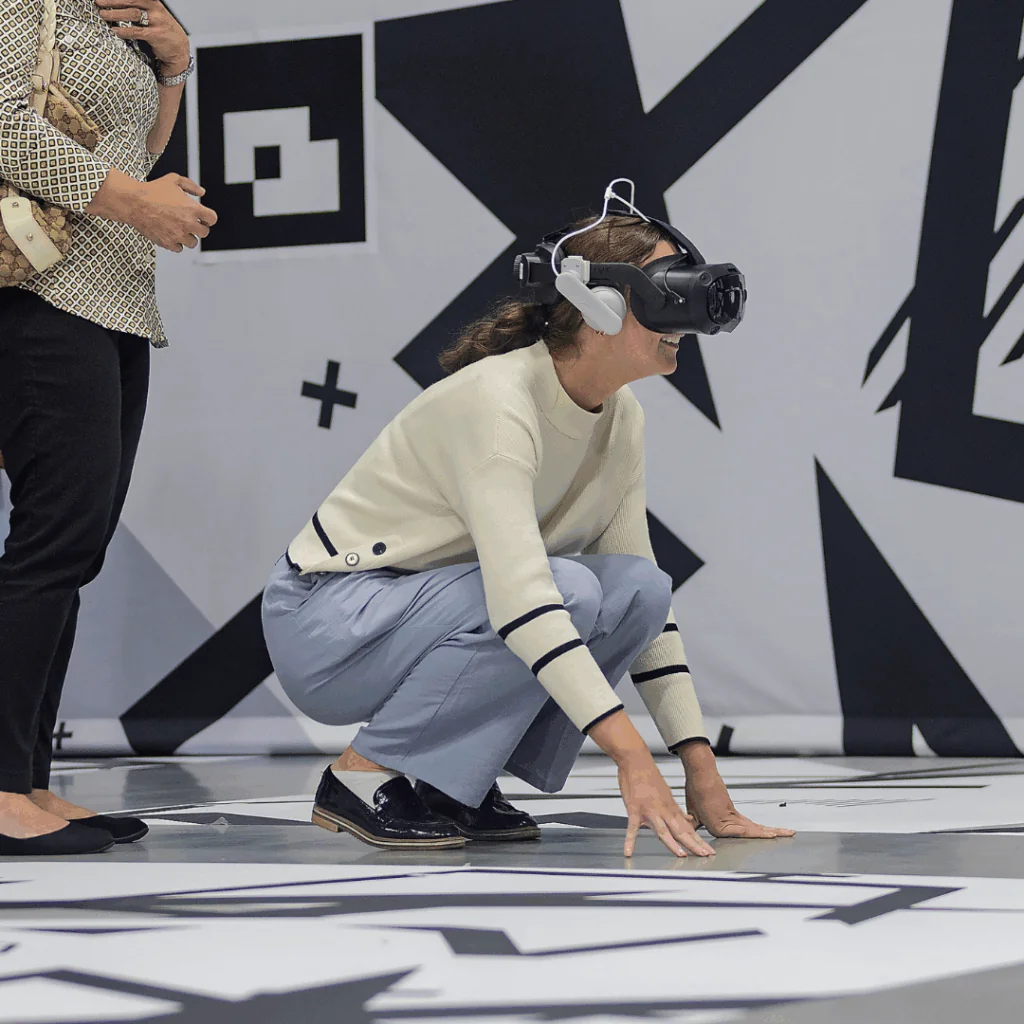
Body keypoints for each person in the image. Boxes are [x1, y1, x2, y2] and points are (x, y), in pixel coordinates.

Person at [263, 211, 793, 856]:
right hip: (327, 621)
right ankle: (361, 775)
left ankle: (451, 779)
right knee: (563, 591)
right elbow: (522, 598)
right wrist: (632, 758)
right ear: (598, 306)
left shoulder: (621, 417)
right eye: (665, 292)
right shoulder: (496, 401)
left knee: (640, 590)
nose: (684, 317)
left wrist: (700, 769)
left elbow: (648, 617)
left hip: (421, 609)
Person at [0, 0, 217, 856]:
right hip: (38, 294)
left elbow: (133, 157)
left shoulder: (123, 19)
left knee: (73, 548)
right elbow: (4, 127)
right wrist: (134, 202)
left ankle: (27, 780)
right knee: (52, 542)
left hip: (113, 299)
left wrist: (173, 67)